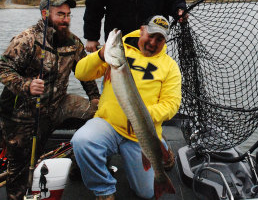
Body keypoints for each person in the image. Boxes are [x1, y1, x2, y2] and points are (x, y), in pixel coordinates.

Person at [0, 0, 100, 200]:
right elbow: (3, 68)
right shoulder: (26, 39)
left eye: (68, 15)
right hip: (24, 113)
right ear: (45, 14)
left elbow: (84, 72)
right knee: (20, 164)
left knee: (99, 117)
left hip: (58, 104)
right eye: (60, 14)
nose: (65, 19)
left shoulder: (73, 42)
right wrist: (25, 85)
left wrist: (94, 97)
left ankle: (78, 167)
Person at [71, 15, 182, 200]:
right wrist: (100, 54)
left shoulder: (170, 67)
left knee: (146, 193)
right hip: (109, 124)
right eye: (151, 35)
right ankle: (104, 190)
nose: (153, 42)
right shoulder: (118, 51)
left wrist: (143, 115)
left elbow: (172, 105)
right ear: (142, 29)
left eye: (159, 39)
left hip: (141, 133)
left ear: (164, 41)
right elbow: (81, 73)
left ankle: (159, 145)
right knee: (81, 141)